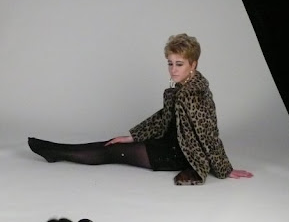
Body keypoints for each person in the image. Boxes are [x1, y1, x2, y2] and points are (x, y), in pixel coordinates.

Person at [27, 33, 253, 185]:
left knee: (110, 152)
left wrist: (224, 169)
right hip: (168, 144)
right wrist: (131, 136)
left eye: (179, 64)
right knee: (112, 144)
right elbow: (163, 118)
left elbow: (208, 135)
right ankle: (55, 151)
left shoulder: (195, 95)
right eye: (170, 63)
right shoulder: (182, 88)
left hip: (178, 154)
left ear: (193, 65)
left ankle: (55, 152)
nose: (173, 70)